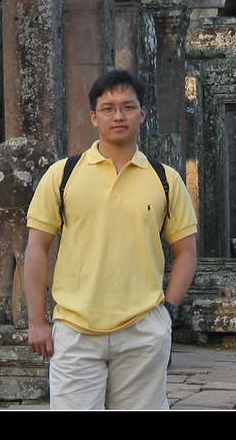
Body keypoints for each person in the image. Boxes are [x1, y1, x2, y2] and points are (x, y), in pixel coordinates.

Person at [25, 69, 198, 410]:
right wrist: (36, 322)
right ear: (94, 117)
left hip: (143, 329)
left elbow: (187, 252)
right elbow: (36, 247)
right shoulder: (63, 174)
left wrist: (167, 311)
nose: (119, 116)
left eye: (128, 107)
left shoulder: (166, 179)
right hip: (75, 328)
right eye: (108, 108)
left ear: (142, 114)